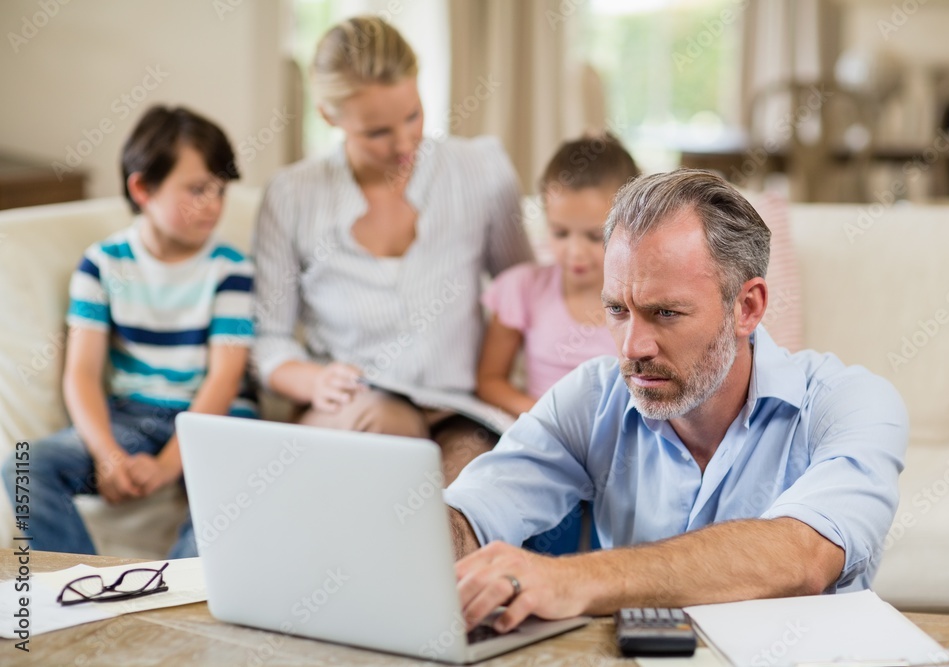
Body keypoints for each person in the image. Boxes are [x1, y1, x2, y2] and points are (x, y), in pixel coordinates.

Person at [444, 169, 908, 633]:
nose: (631, 347)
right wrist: (433, 540)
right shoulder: (590, 398)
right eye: (617, 310)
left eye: (665, 312)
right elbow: (476, 509)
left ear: (746, 308)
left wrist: (569, 578)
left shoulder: (850, 404)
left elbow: (802, 557)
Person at [253, 16, 532, 484]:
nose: (405, 143)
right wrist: (314, 381)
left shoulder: (481, 171)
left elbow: (525, 294)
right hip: (352, 407)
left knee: (469, 490)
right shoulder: (291, 195)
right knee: (388, 431)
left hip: (458, 406)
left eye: (413, 116)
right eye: (378, 132)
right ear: (329, 115)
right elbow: (269, 340)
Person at [0, 105, 255, 558]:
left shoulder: (230, 270)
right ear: (142, 188)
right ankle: (83, 590)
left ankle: (178, 607)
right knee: (25, 465)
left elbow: (224, 378)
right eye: (198, 189)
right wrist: (108, 455)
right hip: (133, 416)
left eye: (220, 189)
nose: (213, 204)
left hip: (216, 419)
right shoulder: (103, 265)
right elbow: (81, 373)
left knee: (227, 501)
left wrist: (168, 465)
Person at [476, 134, 639, 416]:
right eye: (560, 233)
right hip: (543, 435)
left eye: (593, 236)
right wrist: (544, 417)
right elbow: (490, 381)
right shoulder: (522, 288)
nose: (575, 252)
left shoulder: (646, 299)